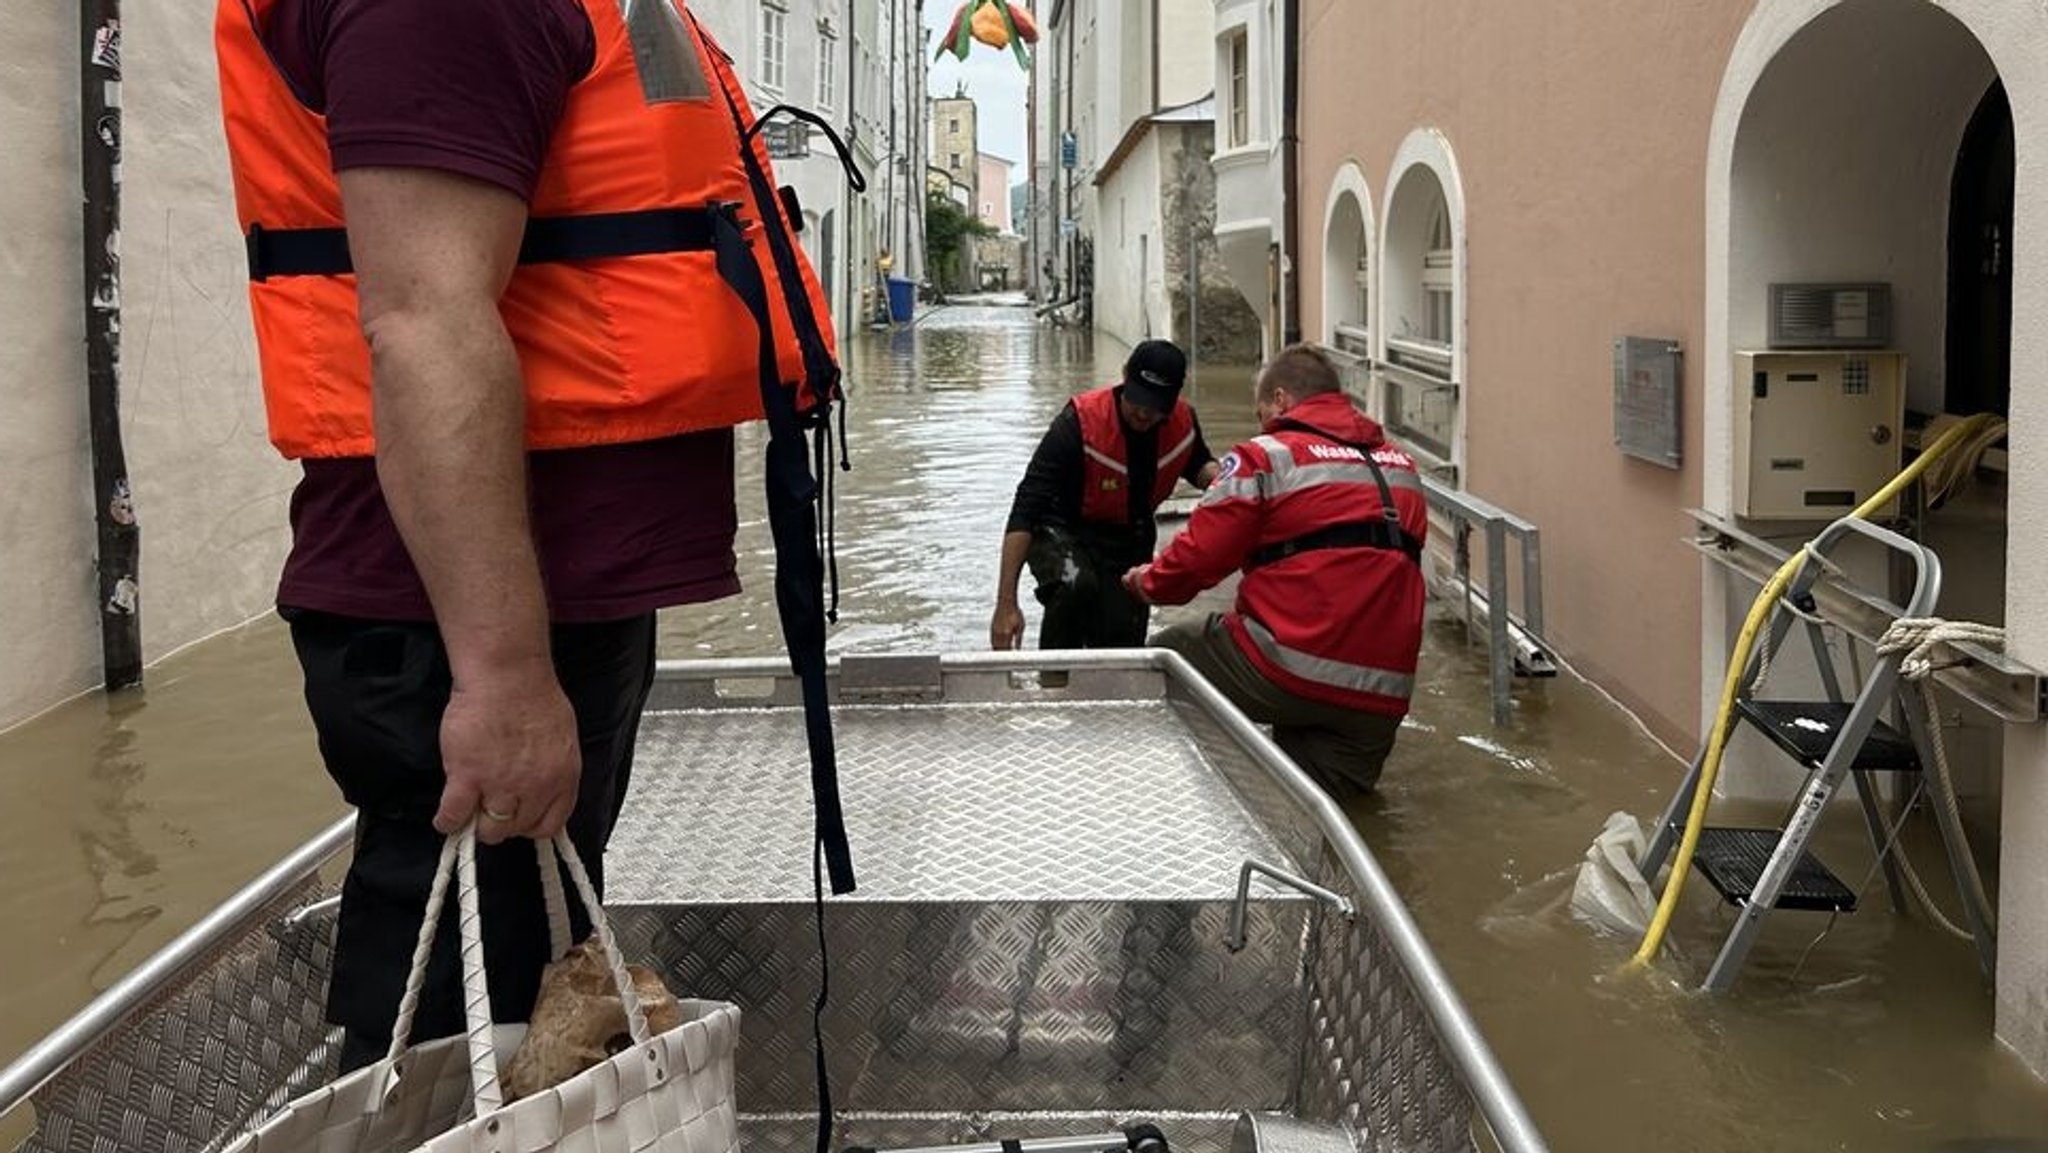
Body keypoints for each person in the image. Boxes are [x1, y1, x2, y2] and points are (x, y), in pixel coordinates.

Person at [215, 0, 851, 1070]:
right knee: (454, 1035)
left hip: (532, 589)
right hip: (461, 613)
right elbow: (423, 319)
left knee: (513, 994)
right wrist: (500, 671)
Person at [1122, 345, 1429, 799]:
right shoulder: (1403, 467)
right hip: (1381, 694)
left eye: (1261, 411)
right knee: (1324, 816)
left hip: (1286, 668)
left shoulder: (1266, 455)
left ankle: (1146, 795)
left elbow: (1197, 560)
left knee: (1158, 663)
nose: (1261, 422)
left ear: (1281, 400)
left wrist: (1147, 582)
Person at [992, 340, 1221, 650]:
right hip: (1061, 527)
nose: (1144, 412)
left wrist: (1227, 480)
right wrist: (1006, 604)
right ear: (1125, 376)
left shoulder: (1183, 423)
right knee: (1075, 585)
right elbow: (1026, 507)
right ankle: (1055, 682)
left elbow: (1198, 464)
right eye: (1138, 399)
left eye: (1155, 406)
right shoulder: (1078, 423)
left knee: (1121, 637)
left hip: (1128, 536)